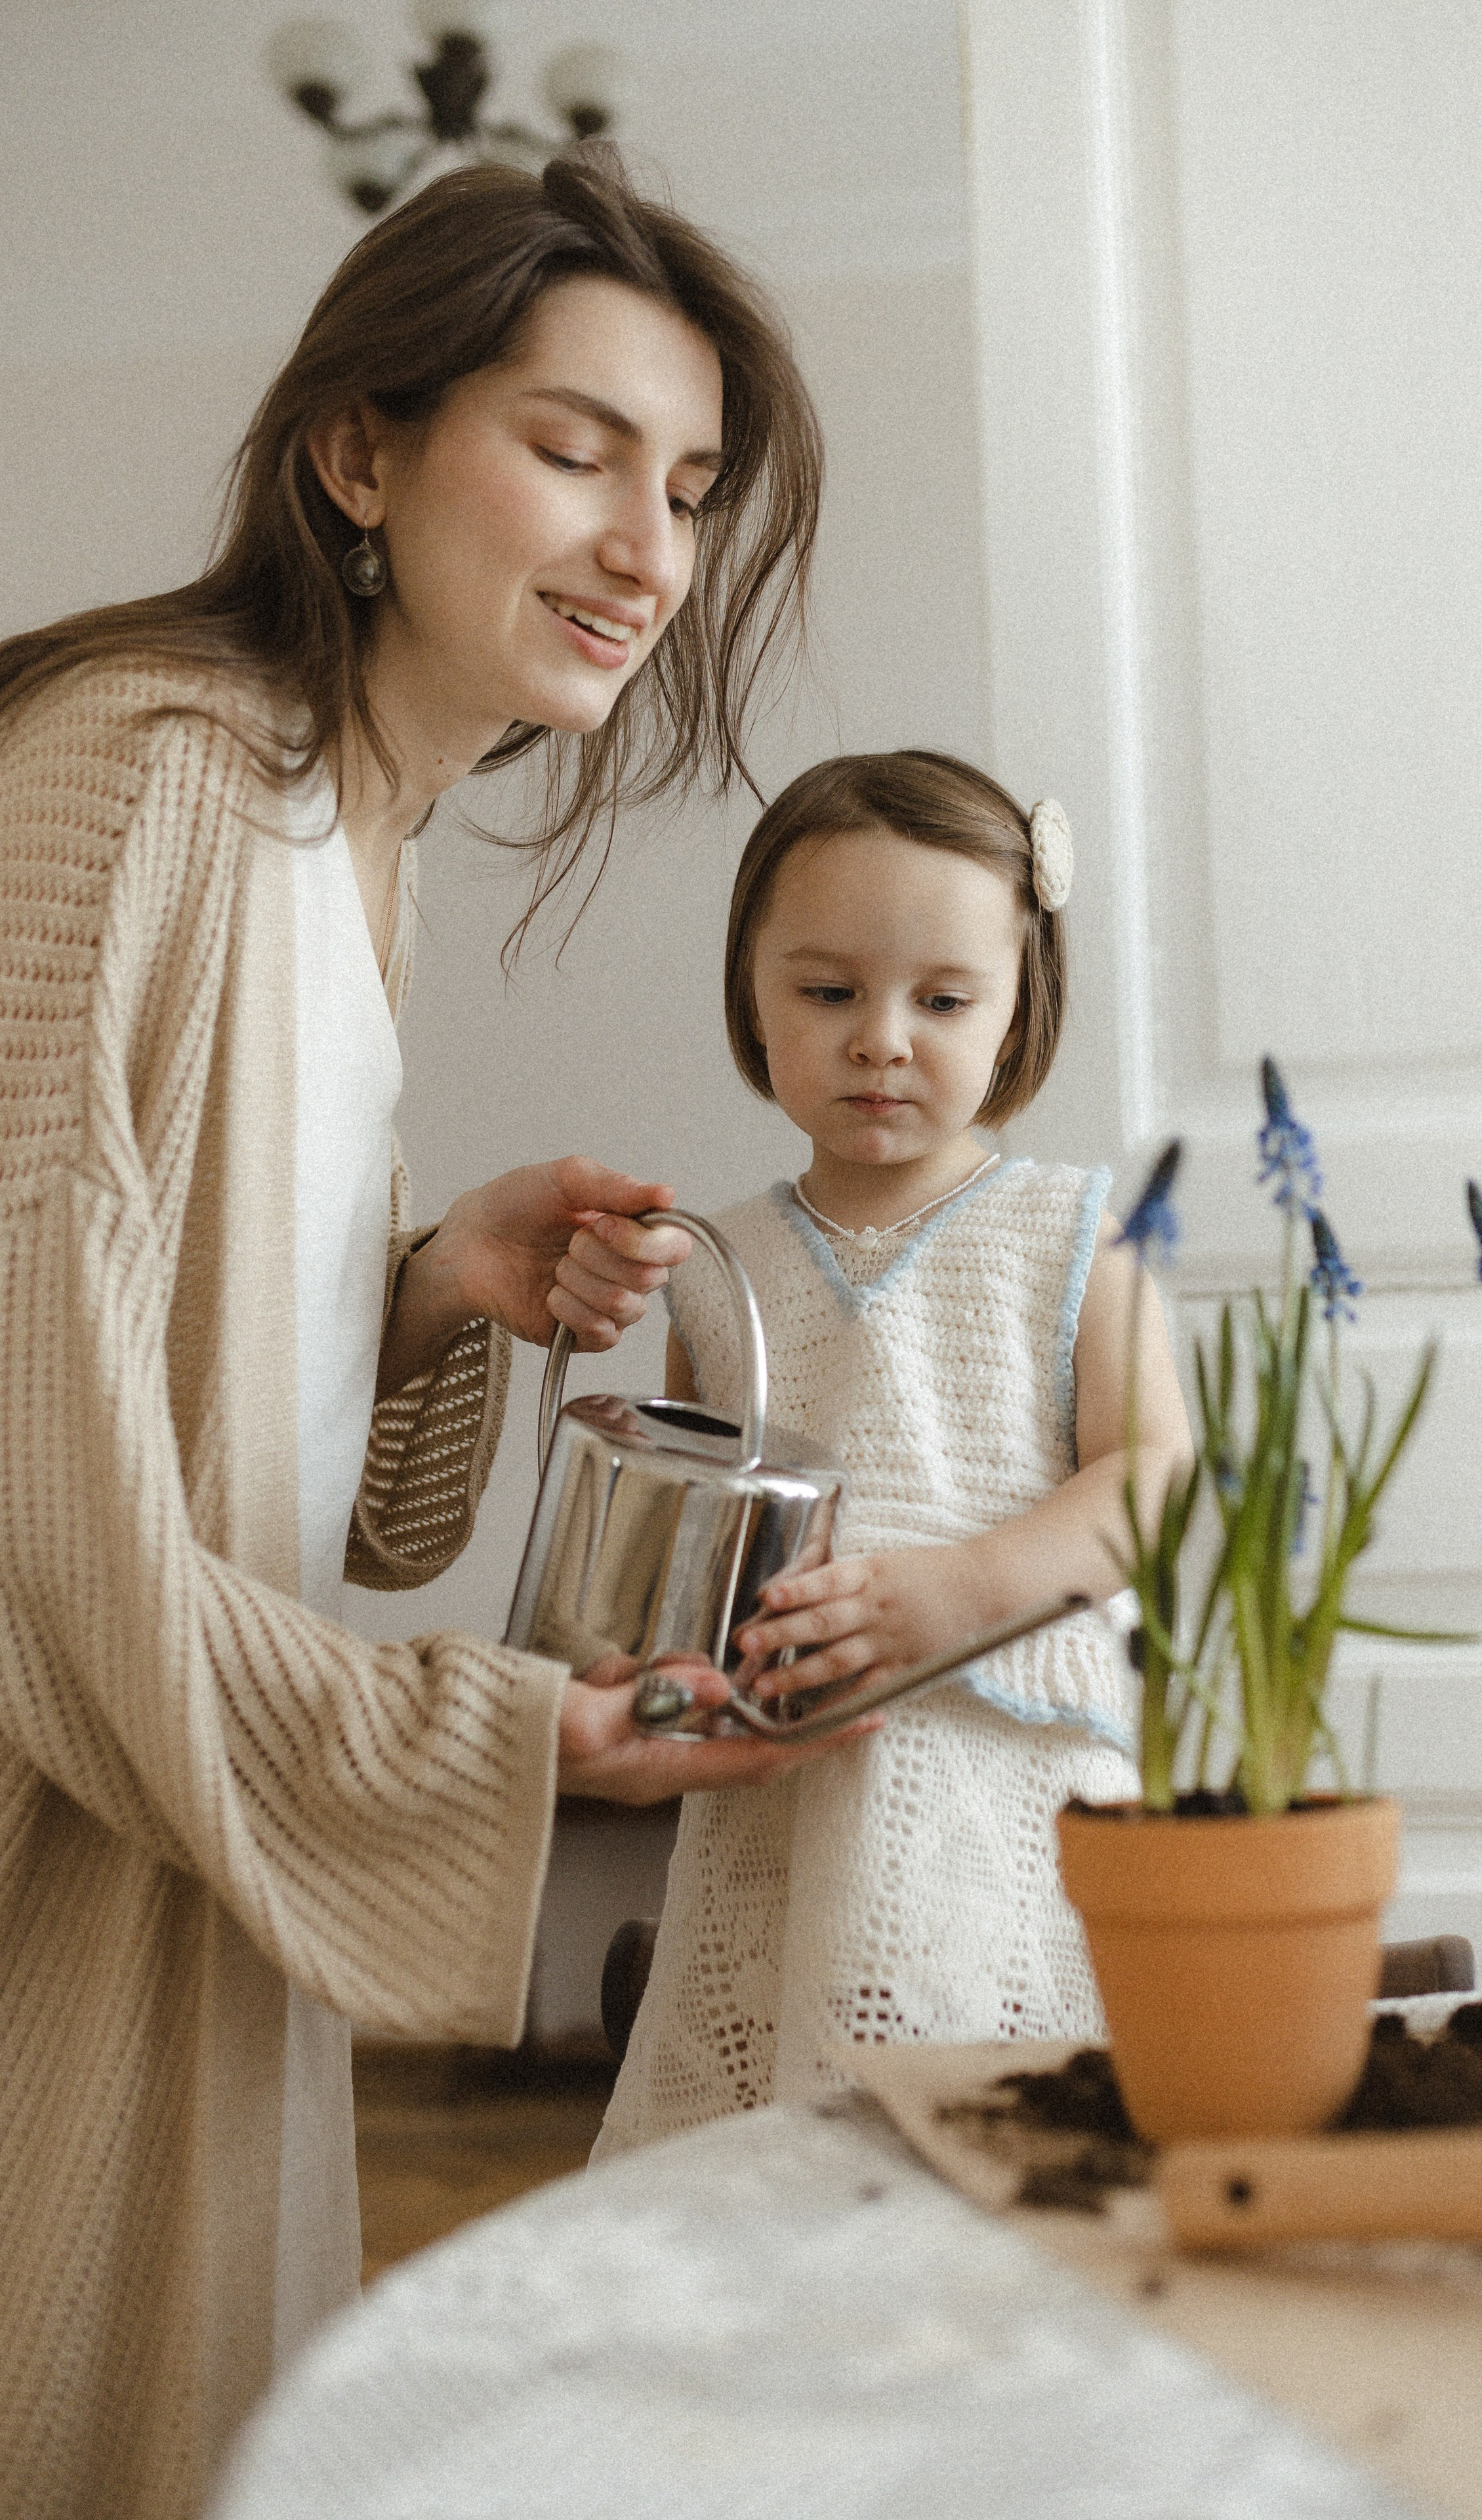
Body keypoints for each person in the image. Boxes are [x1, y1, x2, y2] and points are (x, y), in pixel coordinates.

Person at [0, 149, 854, 2520]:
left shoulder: (357, 863)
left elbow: (220, 1434)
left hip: (178, 1817)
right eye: (572, 451)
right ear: (356, 455)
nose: (645, 552)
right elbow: (30, 1486)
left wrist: (425, 1291)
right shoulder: (147, 775)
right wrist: (506, 1741)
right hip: (64, 1841)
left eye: (686, 490)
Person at [594, 751, 1193, 2156]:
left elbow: (1153, 1481)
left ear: (1014, 1011)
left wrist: (966, 1587)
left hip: (1000, 1763)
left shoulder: (1070, 1233)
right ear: (752, 996)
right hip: (785, 1787)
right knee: (779, 2132)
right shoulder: (711, 1265)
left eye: (939, 1000)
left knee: (1004, 2128)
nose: (879, 1039)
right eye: (827, 993)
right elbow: (696, 1533)